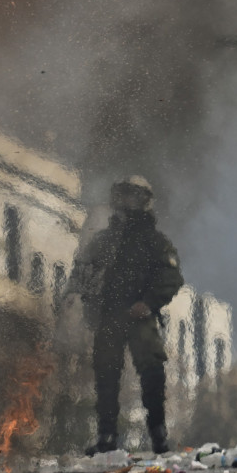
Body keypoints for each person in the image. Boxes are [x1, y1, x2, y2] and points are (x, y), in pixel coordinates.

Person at [68, 176, 184, 455]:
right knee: (106, 377)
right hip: (109, 315)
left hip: (139, 315)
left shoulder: (155, 242)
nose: (127, 201)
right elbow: (81, 274)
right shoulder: (103, 241)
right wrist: (84, 301)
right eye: (124, 195)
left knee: (152, 373)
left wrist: (148, 302)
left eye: (133, 196)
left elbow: (171, 277)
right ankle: (107, 437)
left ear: (145, 201)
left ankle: (158, 434)